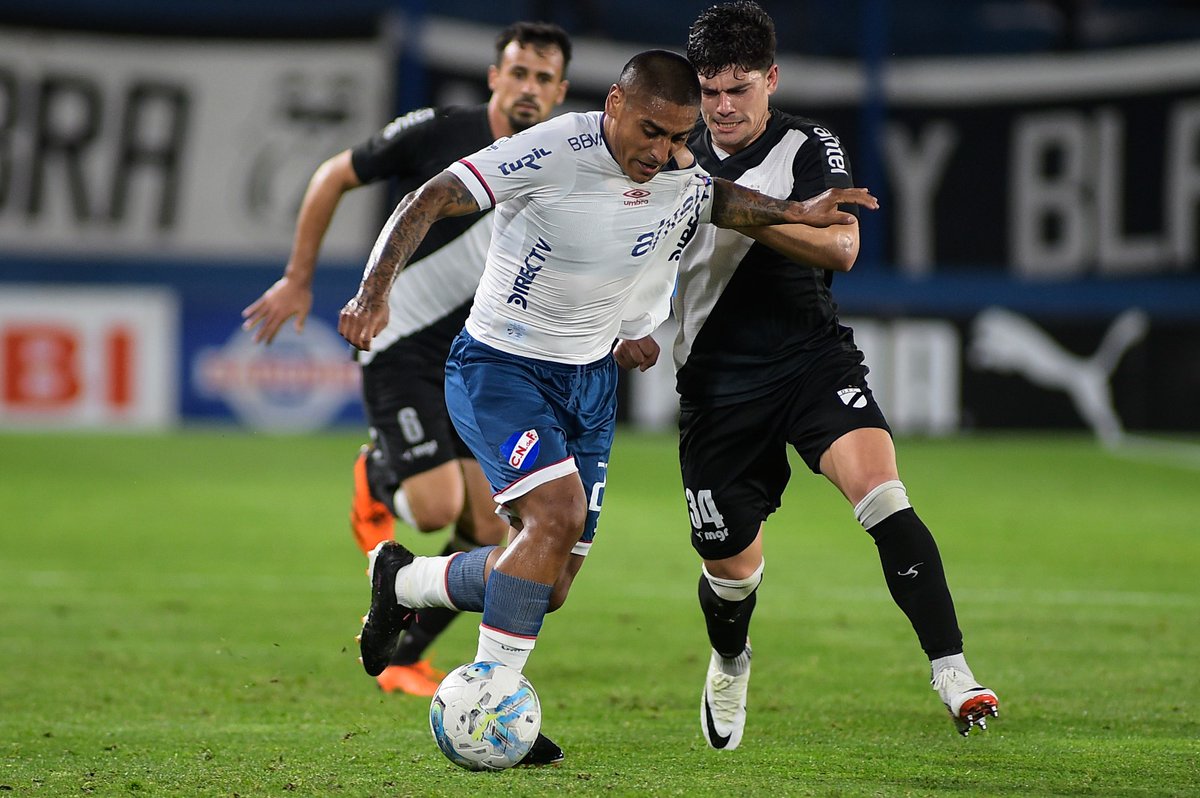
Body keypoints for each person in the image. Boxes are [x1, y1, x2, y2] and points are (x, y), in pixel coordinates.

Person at [338, 49, 878, 765]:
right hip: (499, 369)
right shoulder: (553, 149)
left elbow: (714, 197)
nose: (666, 153)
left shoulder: (678, 165)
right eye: (652, 132)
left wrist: (792, 210)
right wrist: (373, 293)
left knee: (549, 581)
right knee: (553, 517)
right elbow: (428, 198)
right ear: (615, 105)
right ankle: (493, 707)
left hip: (589, 384)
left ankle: (405, 579)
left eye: (680, 137)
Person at [615, 1, 999, 749]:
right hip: (715, 388)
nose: (723, 107)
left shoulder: (807, 145)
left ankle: (953, 670)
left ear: (771, 80)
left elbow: (843, 248)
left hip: (808, 359)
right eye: (711, 90)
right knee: (731, 570)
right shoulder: (660, 154)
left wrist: (728, 209)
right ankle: (730, 659)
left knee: (884, 497)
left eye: (740, 89)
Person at [240, 22, 572, 697]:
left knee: (488, 526)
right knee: (431, 509)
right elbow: (334, 175)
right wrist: (300, 277)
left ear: (562, 90)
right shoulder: (440, 133)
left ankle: (399, 657)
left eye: (543, 78)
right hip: (401, 342)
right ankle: (381, 471)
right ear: (493, 77)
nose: (529, 88)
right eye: (518, 73)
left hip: (479, 360)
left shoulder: (563, 163)